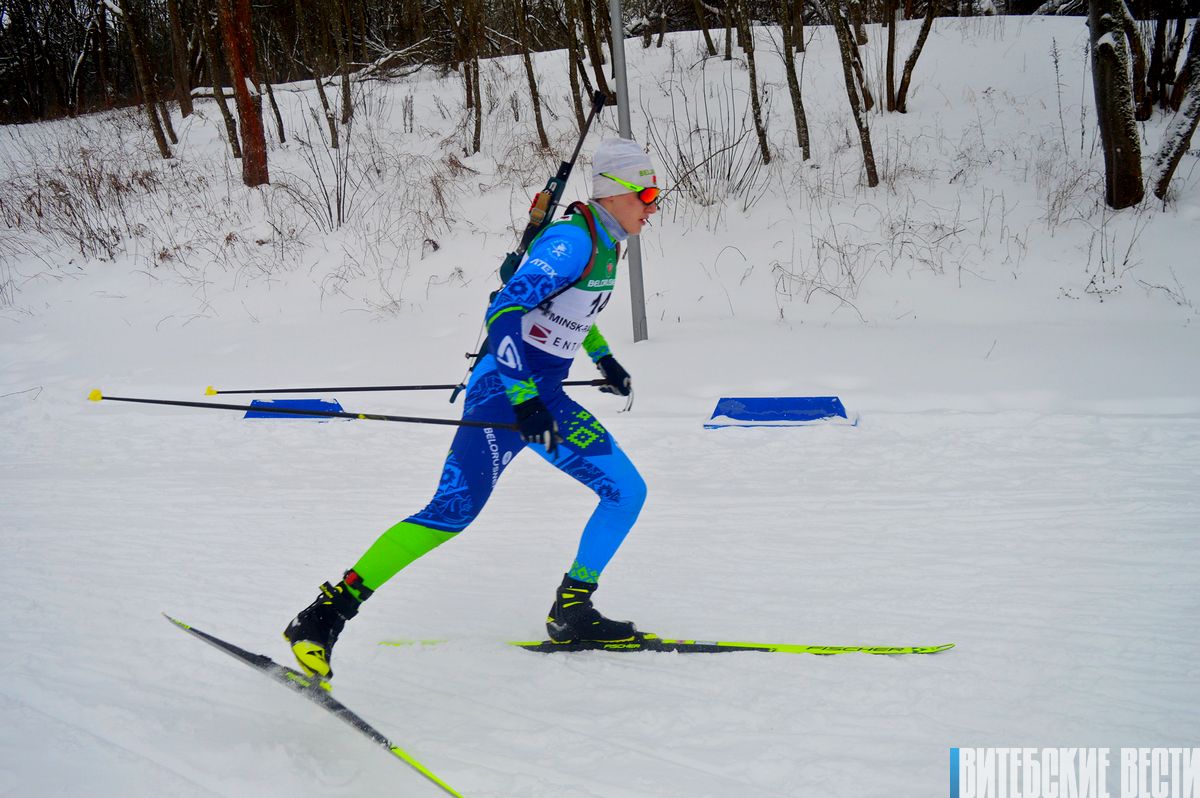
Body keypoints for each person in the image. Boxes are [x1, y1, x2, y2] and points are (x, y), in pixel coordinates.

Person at [283, 138, 661, 680]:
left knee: (625, 491)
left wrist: (603, 359)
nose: (652, 206)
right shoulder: (571, 240)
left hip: (544, 406)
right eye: (646, 193)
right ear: (615, 191)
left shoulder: (607, 244)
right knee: (454, 509)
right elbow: (505, 309)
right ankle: (323, 615)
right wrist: (525, 399)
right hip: (504, 398)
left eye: (655, 196)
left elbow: (573, 308)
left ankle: (572, 610)